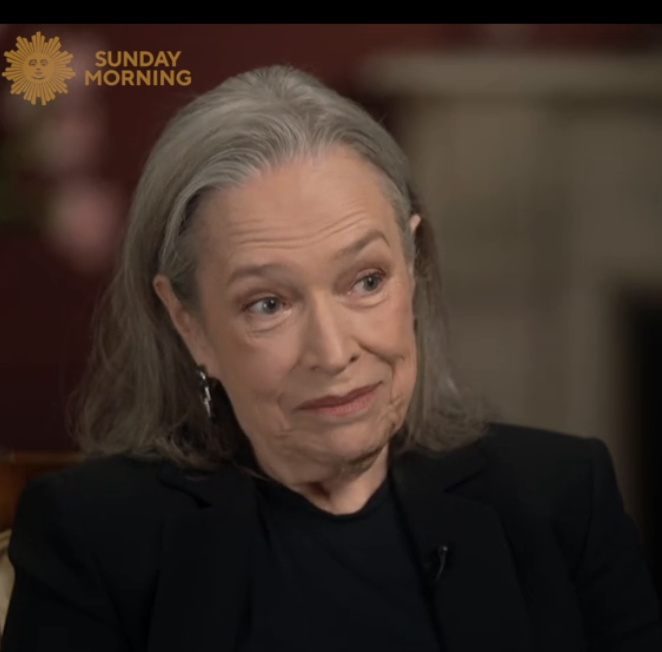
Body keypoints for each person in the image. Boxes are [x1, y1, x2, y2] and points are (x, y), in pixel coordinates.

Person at [2, 65, 661, 652]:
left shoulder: (566, 499)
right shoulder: (92, 535)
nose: (334, 350)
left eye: (366, 281)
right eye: (267, 304)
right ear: (189, 324)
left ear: (414, 268)